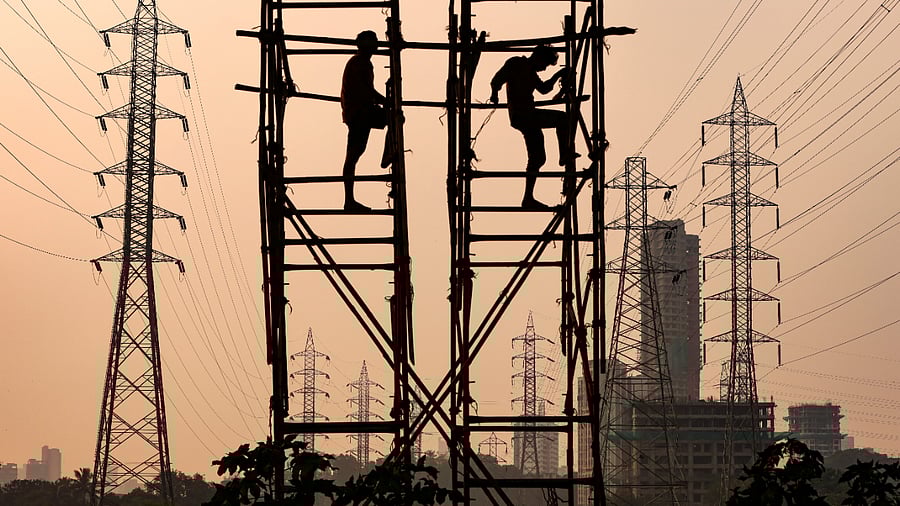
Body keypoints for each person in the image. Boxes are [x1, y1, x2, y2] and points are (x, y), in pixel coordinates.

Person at [490, 45, 574, 209]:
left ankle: (528, 198)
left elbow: (543, 89)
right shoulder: (516, 64)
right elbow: (496, 80)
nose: (544, 69)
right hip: (524, 115)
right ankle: (564, 154)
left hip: (527, 117)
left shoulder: (530, 72)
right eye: (545, 65)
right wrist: (494, 94)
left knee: (538, 158)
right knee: (562, 118)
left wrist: (558, 75)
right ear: (539, 57)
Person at [340, 30, 388, 211]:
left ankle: (349, 200)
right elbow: (365, 91)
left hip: (360, 112)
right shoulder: (359, 63)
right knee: (352, 156)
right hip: (360, 113)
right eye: (373, 41)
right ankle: (349, 200)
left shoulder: (362, 62)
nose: (376, 44)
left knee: (354, 154)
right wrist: (384, 101)